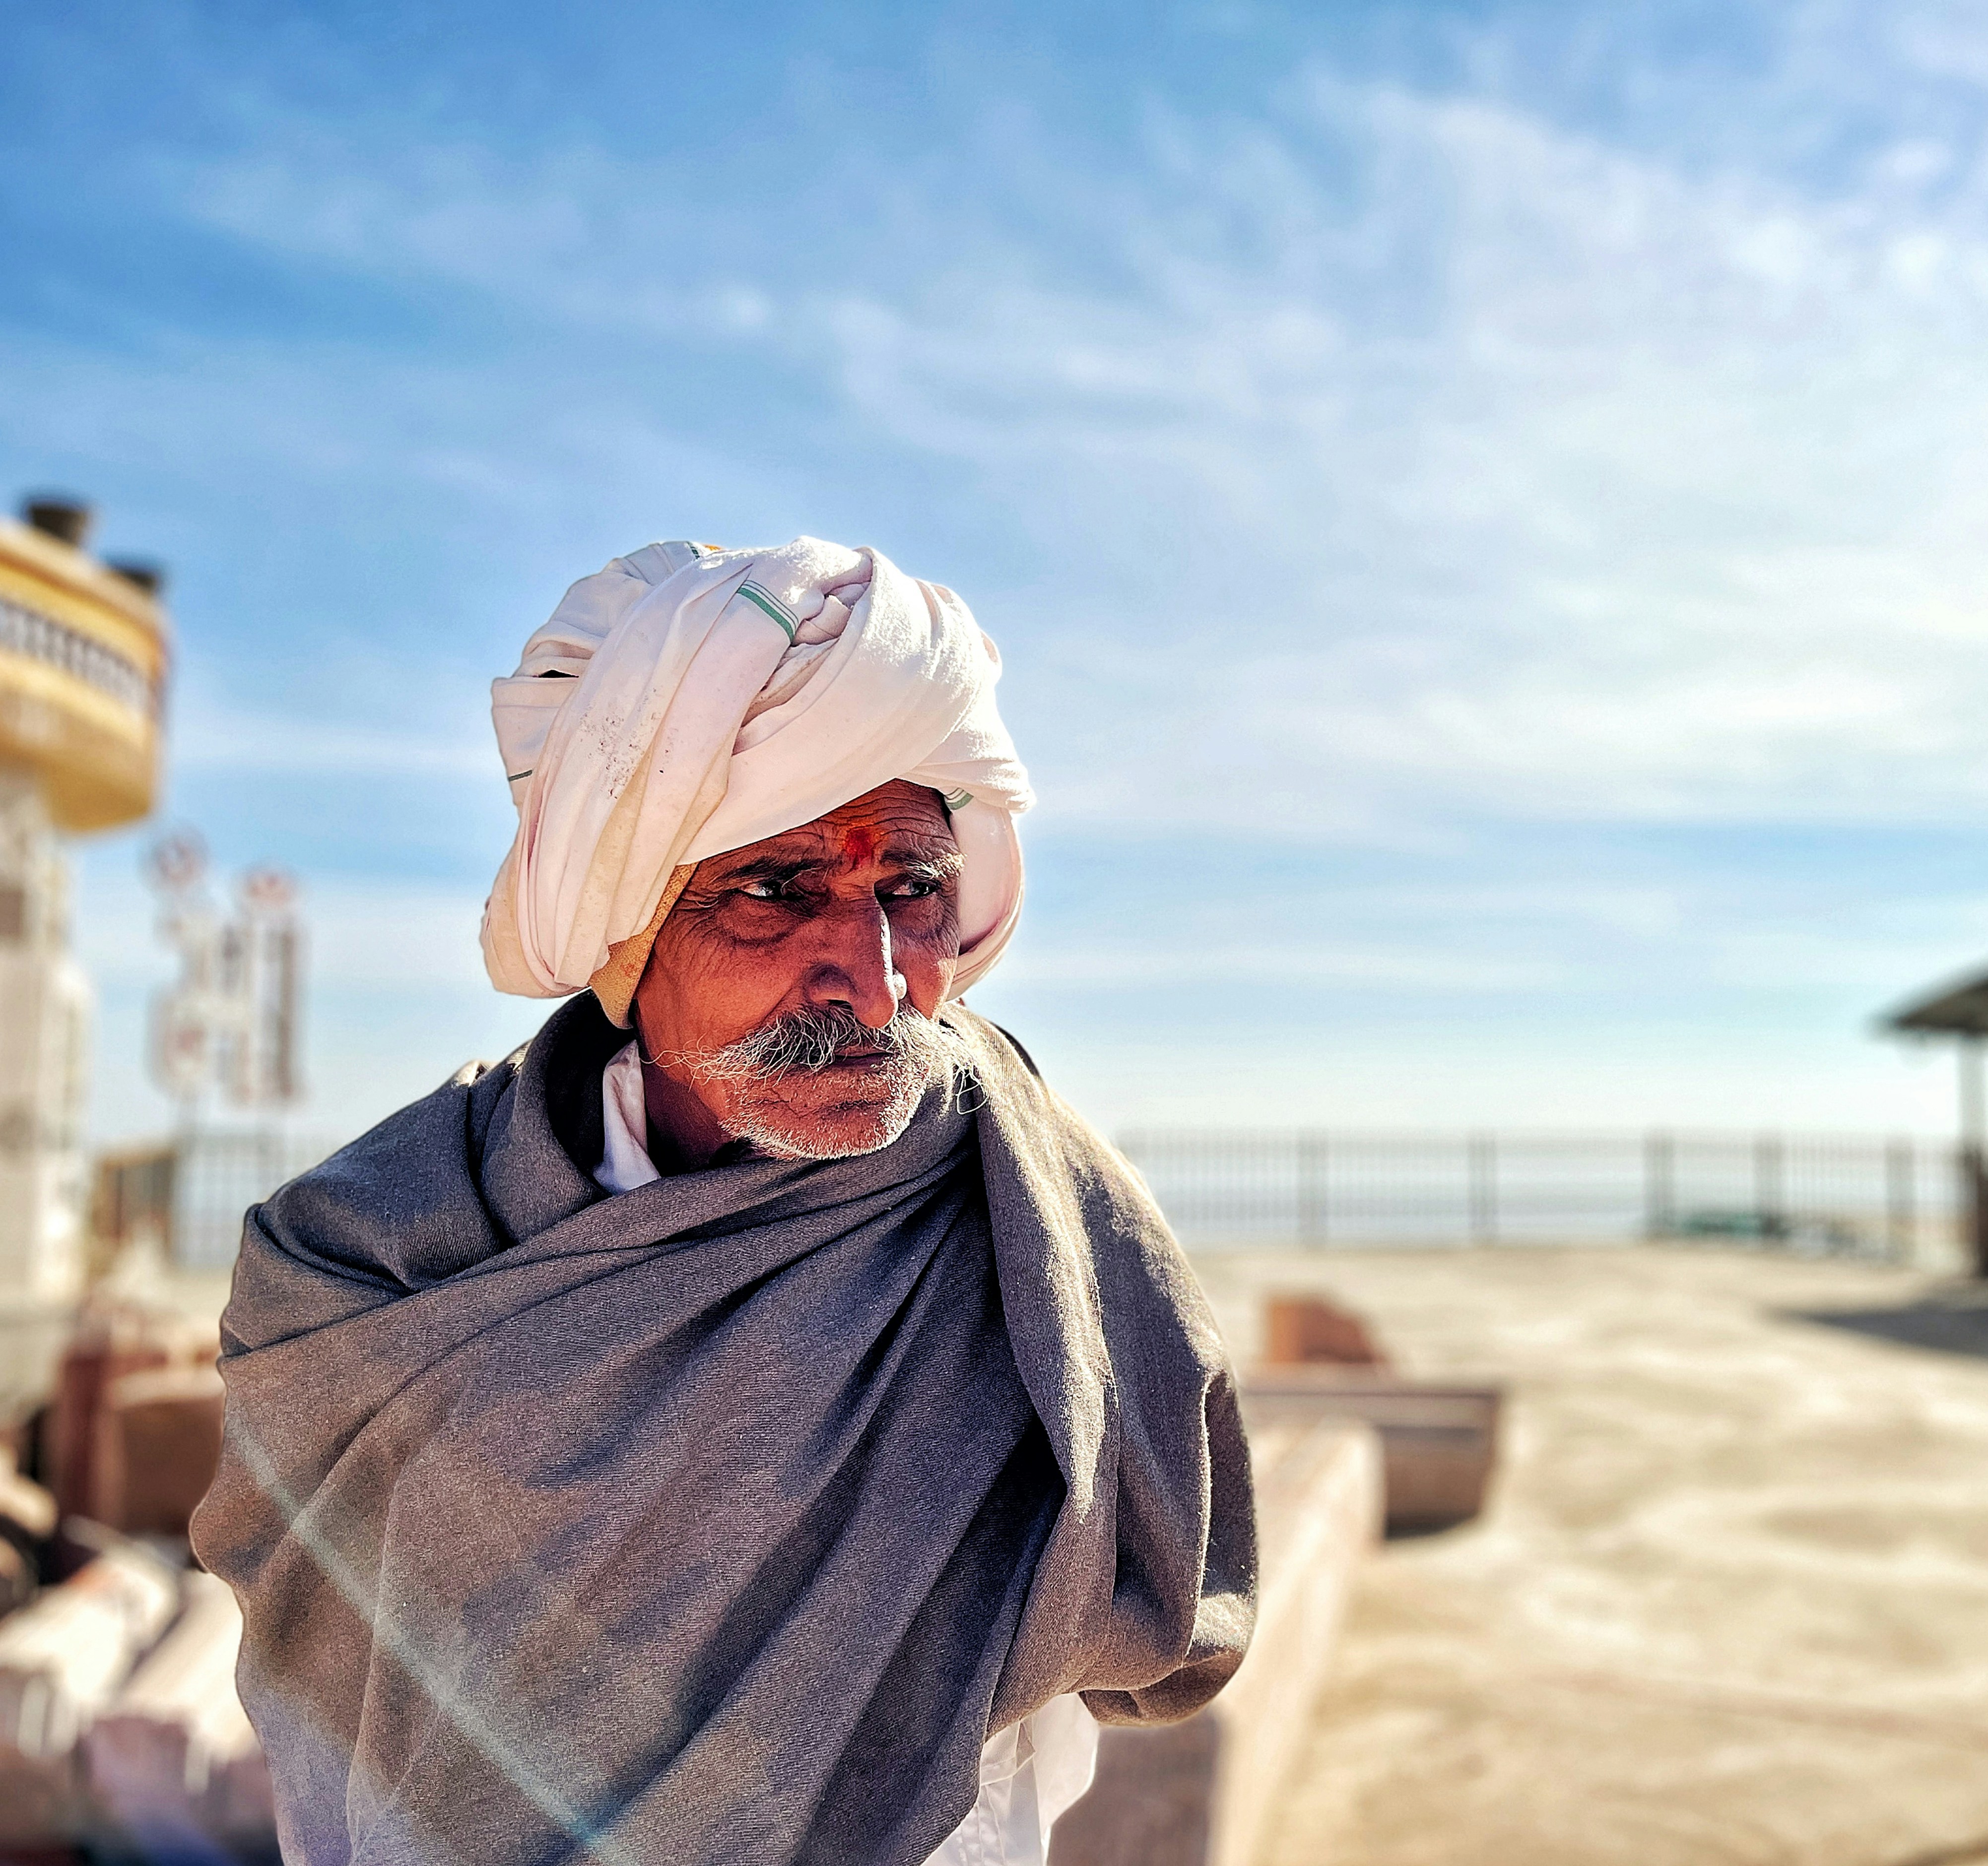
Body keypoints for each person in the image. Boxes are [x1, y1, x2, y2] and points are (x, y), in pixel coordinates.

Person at [194, 538, 1258, 1866]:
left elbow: (1161, 1596)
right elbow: (341, 1691)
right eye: (775, 890)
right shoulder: (363, 1267)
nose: (874, 986)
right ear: (626, 934)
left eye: (910, 889)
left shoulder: (1023, 1206)